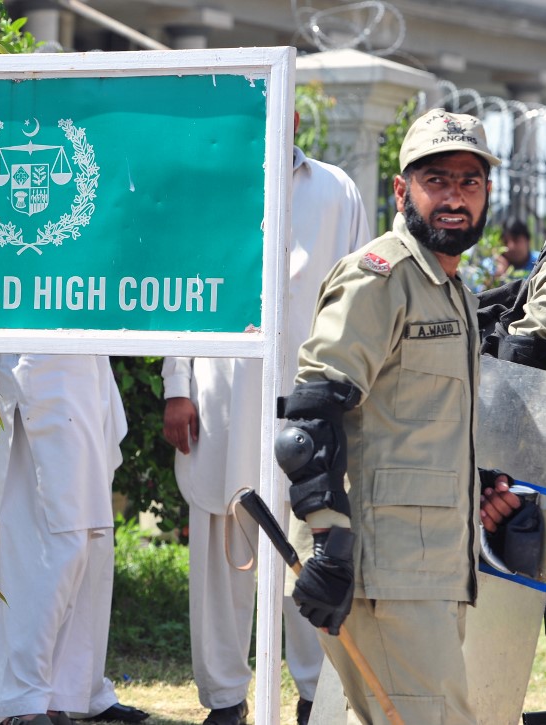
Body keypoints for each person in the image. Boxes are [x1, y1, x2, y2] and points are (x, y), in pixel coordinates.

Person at [276, 108, 522, 724]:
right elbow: (311, 419)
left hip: (429, 569)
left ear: (487, 192)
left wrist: (471, 484)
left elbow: (414, 423)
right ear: (401, 189)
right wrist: (329, 540)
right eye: (436, 180)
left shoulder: (451, 290)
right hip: (379, 571)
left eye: (469, 182)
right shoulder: (379, 278)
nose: (455, 198)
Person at [161, 112, 370, 725]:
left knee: (312, 540)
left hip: (310, 396)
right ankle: (224, 700)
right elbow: (180, 284)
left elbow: (362, 293)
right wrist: (176, 384)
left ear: (296, 113)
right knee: (220, 542)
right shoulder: (208, 183)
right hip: (222, 393)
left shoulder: (336, 188)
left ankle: (312, 694)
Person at [0, 353, 147, 725]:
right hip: (22, 381)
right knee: (28, 551)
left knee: (78, 545)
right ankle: (20, 703)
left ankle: (52, 694)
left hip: (79, 378)